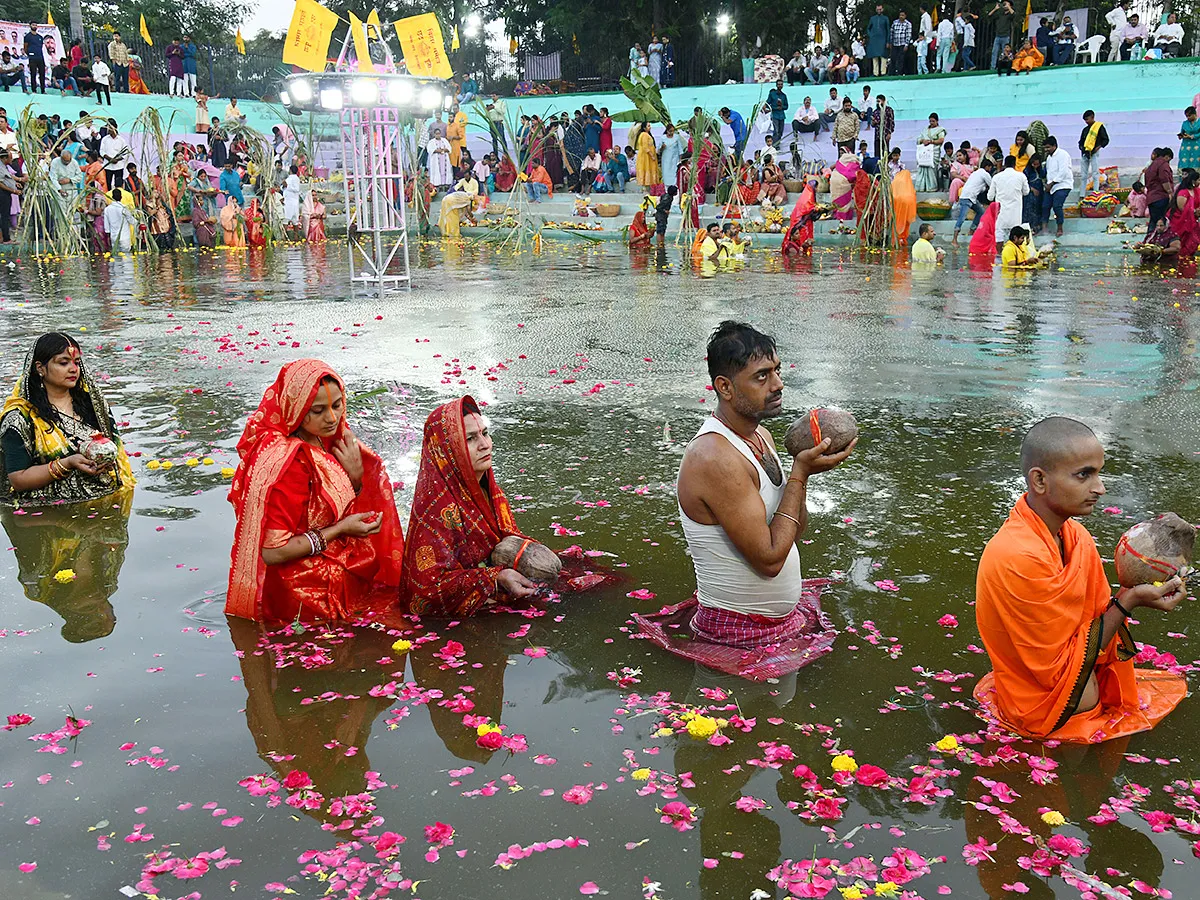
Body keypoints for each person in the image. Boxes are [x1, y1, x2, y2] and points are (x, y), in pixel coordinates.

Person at [974, 417, 1187, 742]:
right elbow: (1054, 671)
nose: (1100, 488)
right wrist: (1129, 601)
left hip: (1077, 688)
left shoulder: (1075, 536)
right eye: (1084, 475)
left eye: (1099, 473)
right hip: (1042, 707)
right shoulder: (1017, 556)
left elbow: (1090, 621)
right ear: (1040, 481)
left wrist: (1138, 589)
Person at [675, 322, 852, 654]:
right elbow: (769, 561)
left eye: (777, 371)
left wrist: (805, 473)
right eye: (762, 376)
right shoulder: (714, 456)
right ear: (724, 387)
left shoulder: (762, 437)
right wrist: (799, 473)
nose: (778, 385)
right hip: (736, 633)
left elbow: (791, 535)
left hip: (777, 627)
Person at [226, 360, 403, 623]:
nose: (332, 418)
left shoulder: (326, 440)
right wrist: (341, 529)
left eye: (337, 405)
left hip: (331, 576)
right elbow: (273, 552)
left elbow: (323, 508)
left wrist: (354, 479)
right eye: (318, 410)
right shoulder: (289, 465)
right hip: (304, 597)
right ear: (296, 409)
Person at [400, 395, 545, 616]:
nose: (485, 445)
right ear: (447, 450)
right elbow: (423, 593)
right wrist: (494, 578)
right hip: (469, 613)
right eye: (470, 439)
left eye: (485, 433)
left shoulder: (492, 493)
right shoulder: (436, 512)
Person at [0, 332, 133, 508]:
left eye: (77, 363)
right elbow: (18, 479)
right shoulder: (20, 418)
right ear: (40, 368)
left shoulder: (92, 404)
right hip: (49, 516)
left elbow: (115, 452)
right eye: (63, 363)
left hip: (105, 504)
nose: (73, 369)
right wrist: (67, 463)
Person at [988, 156, 1029, 247]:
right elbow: (1026, 192)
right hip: (1015, 211)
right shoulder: (1021, 176)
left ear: (1004, 165)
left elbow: (990, 197)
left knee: (999, 231)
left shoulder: (996, 177)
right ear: (1015, 164)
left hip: (1000, 211)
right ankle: (1014, 253)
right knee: (1015, 232)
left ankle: (999, 254)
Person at [1041, 135, 1072, 238]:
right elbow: (1049, 172)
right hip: (1051, 185)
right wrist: (1047, 183)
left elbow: (1063, 172)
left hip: (1063, 184)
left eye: (1048, 147)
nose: (1046, 150)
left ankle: (1060, 228)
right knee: (1045, 206)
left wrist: (1052, 183)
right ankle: (1044, 228)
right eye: (1045, 148)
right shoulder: (1049, 157)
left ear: (1054, 146)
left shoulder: (1063, 155)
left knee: (1057, 206)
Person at [1168, 169, 1200, 258]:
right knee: (1182, 240)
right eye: (1198, 180)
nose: (1199, 182)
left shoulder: (1197, 190)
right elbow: (1182, 208)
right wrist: (1194, 212)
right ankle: (1180, 257)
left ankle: (1188, 256)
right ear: (1193, 181)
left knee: (1194, 240)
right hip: (1181, 220)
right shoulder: (1183, 192)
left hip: (1193, 220)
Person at [1077, 110, 1109, 193]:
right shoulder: (1085, 130)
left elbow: (1106, 140)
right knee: (1083, 175)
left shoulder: (1099, 127)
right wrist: (1082, 148)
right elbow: (1081, 142)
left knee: (1095, 173)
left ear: (1092, 117)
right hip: (1085, 153)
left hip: (1094, 153)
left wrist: (1098, 147)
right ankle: (1082, 194)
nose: (1086, 122)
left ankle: (1096, 192)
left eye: (1087, 119)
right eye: (1085, 120)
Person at [914, 113, 946, 191]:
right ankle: (921, 187)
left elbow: (941, 140)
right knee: (922, 168)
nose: (931, 123)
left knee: (931, 168)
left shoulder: (940, 130)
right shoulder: (925, 130)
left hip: (933, 152)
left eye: (933, 121)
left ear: (937, 121)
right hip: (924, 152)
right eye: (930, 121)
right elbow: (918, 140)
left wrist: (931, 142)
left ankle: (931, 187)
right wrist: (923, 140)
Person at [1145, 147, 1174, 229]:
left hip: (1152, 197)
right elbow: (1164, 179)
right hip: (1160, 196)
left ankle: (1149, 240)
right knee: (1160, 222)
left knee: (1153, 221)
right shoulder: (1163, 164)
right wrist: (1170, 193)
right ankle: (1158, 240)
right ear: (1167, 156)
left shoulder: (1152, 165)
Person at [99, 122, 128, 189]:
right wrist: (109, 159)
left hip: (118, 166)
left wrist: (116, 159)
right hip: (108, 166)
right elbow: (101, 151)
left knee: (118, 184)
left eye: (110, 128)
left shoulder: (121, 140)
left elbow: (125, 152)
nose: (108, 129)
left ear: (115, 128)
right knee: (107, 183)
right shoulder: (105, 139)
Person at [989, 0, 1016, 68]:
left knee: (1006, 52)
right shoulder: (1000, 14)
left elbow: (1013, 14)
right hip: (998, 36)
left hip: (1005, 36)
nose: (1005, 5)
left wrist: (1009, 6)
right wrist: (995, 8)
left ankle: (1005, 66)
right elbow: (989, 15)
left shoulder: (1009, 15)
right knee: (994, 52)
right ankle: (993, 67)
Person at [867, 4, 890, 75]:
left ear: (882, 9)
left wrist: (888, 41)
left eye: (880, 9)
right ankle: (875, 72)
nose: (879, 11)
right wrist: (871, 35)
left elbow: (888, 30)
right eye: (877, 9)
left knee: (883, 56)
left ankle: (883, 72)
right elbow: (868, 28)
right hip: (874, 40)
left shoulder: (885, 18)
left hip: (883, 39)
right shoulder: (872, 18)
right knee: (875, 56)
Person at [23, 23, 46, 94]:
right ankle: (34, 90)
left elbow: (40, 47)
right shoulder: (27, 36)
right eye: (33, 25)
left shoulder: (40, 37)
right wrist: (30, 54)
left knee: (42, 74)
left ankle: (43, 90)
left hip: (40, 57)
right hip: (32, 58)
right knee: (33, 73)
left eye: (36, 25)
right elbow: (25, 47)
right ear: (30, 26)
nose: (34, 26)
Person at [870, 94, 894, 160]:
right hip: (877, 136)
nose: (878, 103)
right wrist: (873, 122)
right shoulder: (875, 112)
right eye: (877, 101)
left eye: (879, 101)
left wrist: (889, 133)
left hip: (885, 134)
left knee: (885, 151)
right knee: (877, 153)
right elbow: (873, 125)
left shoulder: (889, 110)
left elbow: (891, 122)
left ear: (883, 101)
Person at [636, 124, 660, 189]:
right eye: (648, 126)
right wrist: (652, 155)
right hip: (646, 157)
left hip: (648, 156)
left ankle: (649, 188)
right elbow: (645, 147)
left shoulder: (646, 134)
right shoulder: (644, 135)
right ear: (644, 128)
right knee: (646, 169)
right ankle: (645, 189)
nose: (650, 127)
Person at [889, 12, 913, 76]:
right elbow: (891, 32)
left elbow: (908, 35)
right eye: (900, 15)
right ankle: (892, 73)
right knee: (893, 58)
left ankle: (899, 72)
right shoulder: (895, 22)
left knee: (901, 59)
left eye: (902, 15)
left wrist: (906, 44)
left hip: (902, 44)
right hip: (895, 44)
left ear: (905, 16)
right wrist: (891, 42)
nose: (901, 16)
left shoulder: (908, 24)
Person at [766, 80, 788, 145]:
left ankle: (778, 142)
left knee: (781, 131)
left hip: (782, 115)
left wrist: (782, 107)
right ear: (776, 85)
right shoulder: (772, 94)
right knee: (776, 130)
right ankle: (775, 144)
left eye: (781, 84)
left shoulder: (784, 95)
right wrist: (774, 108)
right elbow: (767, 104)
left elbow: (786, 106)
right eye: (779, 84)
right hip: (775, 115)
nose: (780, 86)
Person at [1178, 106, 1200, 172]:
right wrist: (1181, 136)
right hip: (1186, 145)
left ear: (1194, 114)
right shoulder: (1185, 123)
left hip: (1197, 144)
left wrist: (1191, 136)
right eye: (1187, 116)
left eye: (1189, 116)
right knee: (1184, 160)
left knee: (1196, 161)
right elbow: (1182, 132)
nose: (1188, 118)